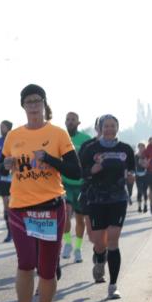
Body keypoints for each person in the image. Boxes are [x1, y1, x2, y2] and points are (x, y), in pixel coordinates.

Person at [2, 85, 81, 302]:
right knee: (25, 263)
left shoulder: (57, 134)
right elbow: (3, 164)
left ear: (44, 104)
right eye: (28, 101)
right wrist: (5, 164)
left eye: (37, 100)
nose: (33, 105)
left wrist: (49, 158)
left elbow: (75, 170)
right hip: (21, 208)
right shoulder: (13, 136)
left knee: (47, 269)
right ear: (23, 106)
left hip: (50, 207)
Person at [79, 115, 135, 297]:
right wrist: (92, 171)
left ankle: (113, 285)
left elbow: (132, 170)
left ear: (117, 127)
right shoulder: (90, 148)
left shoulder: (125, 149)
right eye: (106, 126)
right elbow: (81, 172)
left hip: (118, 198)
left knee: (113, 239)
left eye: (113, 126)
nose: (109, 129)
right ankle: (100, 258)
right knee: (98, 241)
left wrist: (131, 177)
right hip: (96, 199)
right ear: (100, 128)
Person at [61, 112, 92, 264]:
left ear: (78, 122)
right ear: (65, 122)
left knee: (81, 220)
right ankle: (67, 243)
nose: (70, 122)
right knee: (65, 214)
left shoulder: (85, 140)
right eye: (68, 119)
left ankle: (78, 248)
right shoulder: (59, 137)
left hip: (81, 184)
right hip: (65, 183)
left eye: (73, 120)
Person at [134, 142, 149, 213]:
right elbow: (133, 166)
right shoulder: (135, 156)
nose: (141, 149)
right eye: (140, 147)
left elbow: (147, 165)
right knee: (139, 190)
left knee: (145, 191)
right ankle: (139, 206)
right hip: (138, 175)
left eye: (142, 147)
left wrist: (143, 163)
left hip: (145, 175)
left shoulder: (147, 156)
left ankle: (145, 205)